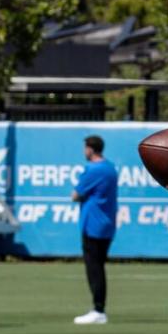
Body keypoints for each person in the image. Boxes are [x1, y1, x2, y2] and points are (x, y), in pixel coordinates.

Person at [71, 134, 118, 324]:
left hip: (93, 224)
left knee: (94, 268)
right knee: (98, 265)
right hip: (107, 223)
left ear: (90, 148)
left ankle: (98, 309)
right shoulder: (110, 168)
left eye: (85, 148)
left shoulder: (93, 170)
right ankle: (99, 308)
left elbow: (75, 195)